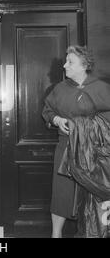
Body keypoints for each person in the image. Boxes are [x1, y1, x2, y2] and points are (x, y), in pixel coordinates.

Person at [42, 45, 110, 238]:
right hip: (66, 148)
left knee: (91, 195)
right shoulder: (60, 89)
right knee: (61, 193)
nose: (65, 65)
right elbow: (47, 111)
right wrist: (57, 120)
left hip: (94, 153)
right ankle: (56, 234)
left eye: (70, 62)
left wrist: (81, 126)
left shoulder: (102, 88)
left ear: (84, 65)